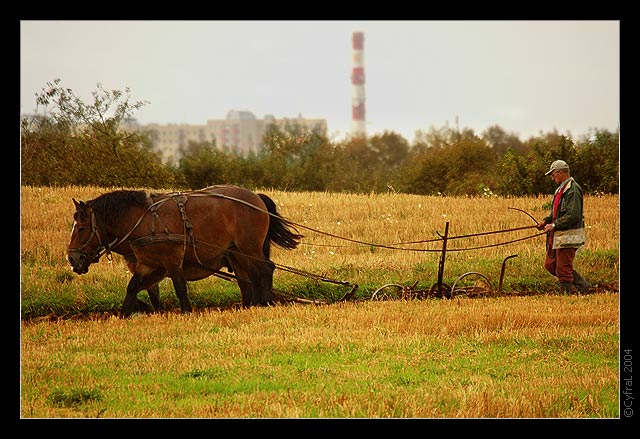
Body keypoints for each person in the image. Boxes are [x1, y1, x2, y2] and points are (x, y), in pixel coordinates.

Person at [536, 160, 593, 294]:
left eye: (553, 175)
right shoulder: (561, 189)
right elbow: (556, 213)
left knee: (563, 268)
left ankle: (566, 295)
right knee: (551, 265)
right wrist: (545, 221)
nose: (552, 178)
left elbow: (573, 215)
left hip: (568, 235)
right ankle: (583, 286)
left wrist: (554, 225)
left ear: (560, 172)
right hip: (559, 235)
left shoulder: (572, 190)